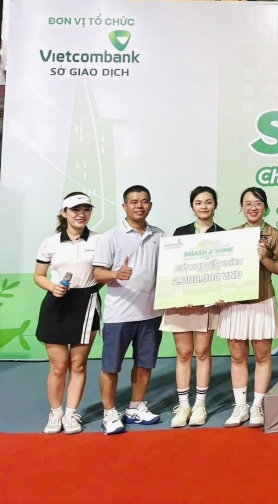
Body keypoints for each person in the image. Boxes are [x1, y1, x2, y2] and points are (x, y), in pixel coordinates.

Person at [92, 185, 165, 435]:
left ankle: (135, 407)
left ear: (150, 205)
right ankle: (109, 413)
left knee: (145, 364)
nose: (139, 206)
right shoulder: (110, 237)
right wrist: (116, 274)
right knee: (111, 366)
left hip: (151, 314)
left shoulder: (160, 235)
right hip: (119, 315)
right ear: (124, 206)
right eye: (134, 202)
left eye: (144, 201)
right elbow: (97, 273)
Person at [218, 187, 278, 428]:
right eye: (248, 203)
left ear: (265, 207)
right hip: (235, 304)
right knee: (237, 356)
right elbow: (223, 269)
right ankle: (240, 406)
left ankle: (257, 404)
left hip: (262, 301)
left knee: (262, 355)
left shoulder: (276, 235)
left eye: (258, 203)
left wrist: (265, 257)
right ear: (241, 207)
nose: (253, 208)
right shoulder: (232, 235)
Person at [34, 192, 101, 434]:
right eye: (75, 209)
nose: (81, 214)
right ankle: (56, 413)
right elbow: (39, 275)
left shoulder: (100, 240)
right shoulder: (50, 243)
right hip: (56, 305)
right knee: (58, 366)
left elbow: (103, 274)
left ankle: (71, 414)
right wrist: (53, 287)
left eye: (86, 209)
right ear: (64, 213)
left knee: (78, 364)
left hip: (87, 304)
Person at [160, 186, 227, 428]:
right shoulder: (181, 233)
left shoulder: (224, 235)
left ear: (215, 205)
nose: (204, 206)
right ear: (192, 207)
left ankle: (200, 404)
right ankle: (183, 405)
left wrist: (223, 293)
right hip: (182, 302)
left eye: (208, 202)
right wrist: (182, 293)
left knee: (203, 351)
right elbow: (173, 266)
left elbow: (226, 269)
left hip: (208, 303)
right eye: (198, 202)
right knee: (184, 352)